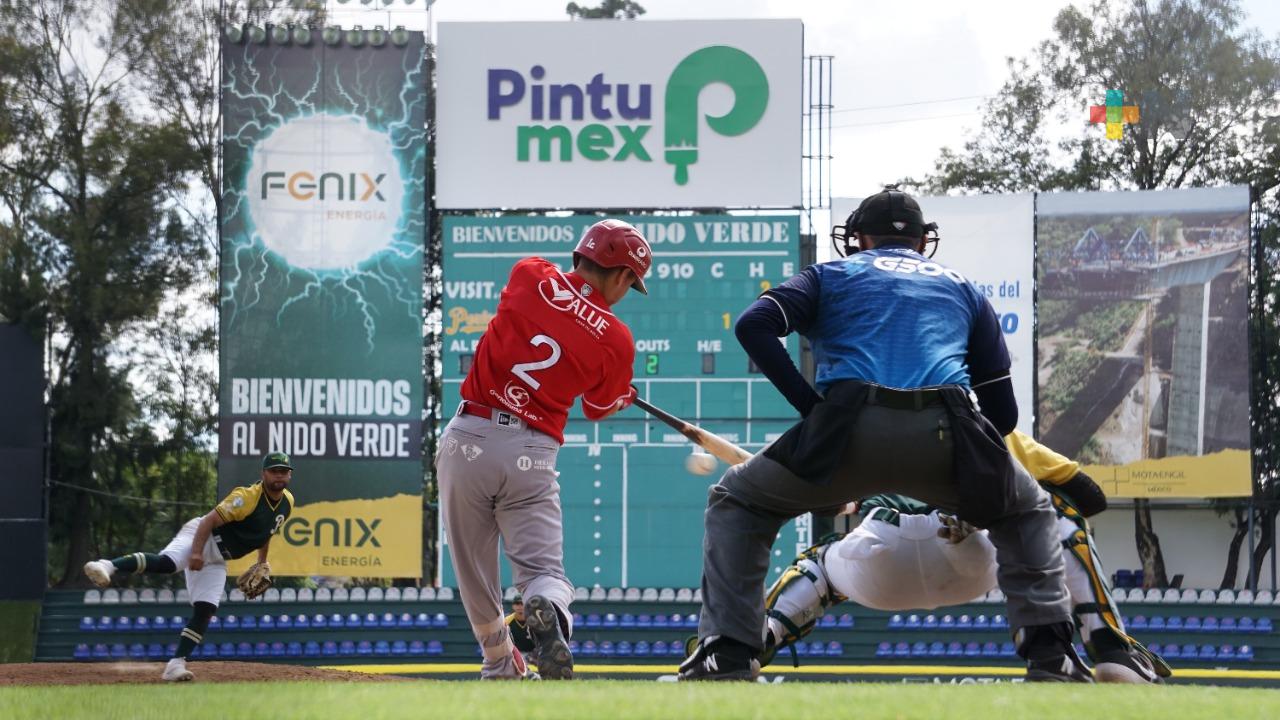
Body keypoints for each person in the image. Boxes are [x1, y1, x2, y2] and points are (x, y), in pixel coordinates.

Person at [680, 186, 1087, 682]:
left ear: (857, 238)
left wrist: (812, 412)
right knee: (1027, 512)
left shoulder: (829, 273)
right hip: (948, 429)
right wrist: (972, 479)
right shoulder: (963, 287)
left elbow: (754, 325)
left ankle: (728, 651)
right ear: (923, 241)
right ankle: (1052, 655)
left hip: (845, 424)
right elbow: (1002, 414)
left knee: (738, 501)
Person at [760, 431, 1171, 684]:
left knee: (817, 563)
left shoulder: (861, 428)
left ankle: (749, 642)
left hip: (879, 552)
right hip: (969, 550)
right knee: (1057, 515)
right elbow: (1090, 496)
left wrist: (831, 496)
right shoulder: (992, 425)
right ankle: (1109, 649)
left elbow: (829, 505)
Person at [438, 219, 652, 680]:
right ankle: (550, 609)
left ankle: (499, 665)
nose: (627, 289)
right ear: (621, 275)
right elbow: (598, 408)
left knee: (475, 571)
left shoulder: (530, 273)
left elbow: (537, 317)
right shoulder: (617, 339)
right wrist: (620, 396)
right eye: (631, 280)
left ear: (580, 255)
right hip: (531, 454)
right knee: (543, 571)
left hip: (469, 438)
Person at [83, 452, 295, 682]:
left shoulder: (287, 503)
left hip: (217, 558)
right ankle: (107, 565)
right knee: (168, 564)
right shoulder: (247, 497)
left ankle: (176, 664)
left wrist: (262, 562)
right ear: (263, 473)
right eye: (274, 471)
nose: (279, 475)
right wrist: (195, 551)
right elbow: (209, 521)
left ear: (289, 475)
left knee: (206, 609)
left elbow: (267, 533)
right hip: (202, 536)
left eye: (283, 471)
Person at [506, 594, 538, 664]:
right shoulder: (507, 621)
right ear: (513, 606)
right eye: (517, 604)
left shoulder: (535, 620)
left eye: (522, 603)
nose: (520, 606)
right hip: (517, 655)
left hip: (535, 654)